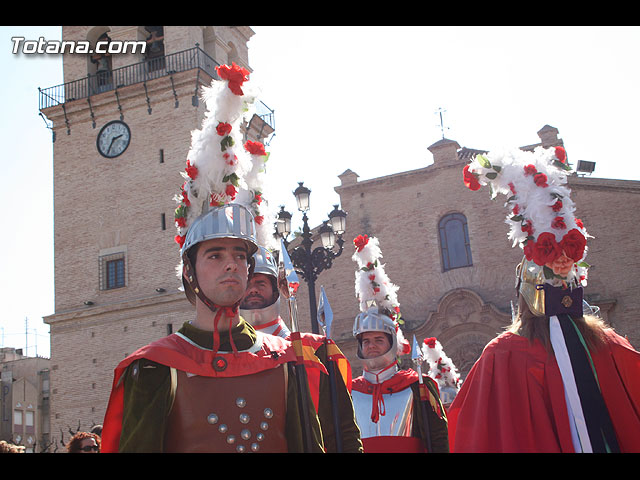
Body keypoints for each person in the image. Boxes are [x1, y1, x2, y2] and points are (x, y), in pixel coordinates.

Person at [101, 64, 330, 453]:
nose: (232, 264)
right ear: (188, 271)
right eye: (215, 254)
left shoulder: (286, 360)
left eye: (240, 254)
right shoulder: (156, 367)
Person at [449, 146, 640, 452]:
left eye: (569, 261)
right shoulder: (503, 356)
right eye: (553, 257)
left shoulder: (609, 345)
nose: (562, 263)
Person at [240, 245, 363, 453]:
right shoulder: (223, 353)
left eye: (260, 283)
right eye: (247, 283)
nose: (253, 289)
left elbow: (344, 428)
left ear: (276, 288)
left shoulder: (314, 349)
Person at [349, 234, 449, 453]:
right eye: (366, 341)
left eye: (378, 340)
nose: (371, 346)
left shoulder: (418, 386)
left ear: (392, 343)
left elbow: (438, 439)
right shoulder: (350, 390)